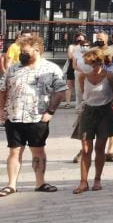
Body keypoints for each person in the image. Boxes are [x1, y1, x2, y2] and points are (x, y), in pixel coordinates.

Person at [0, 33, 67, 196]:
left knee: (38, 150)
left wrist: (50, 111)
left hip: (37, 117)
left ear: (36, 50)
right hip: (14, 115)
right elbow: (3, 89)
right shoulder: (13, 68)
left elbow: (60, 92)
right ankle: (11, 184)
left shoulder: (51, 69)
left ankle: (40, 182)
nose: (22, 53)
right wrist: (1, 109)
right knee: (15, 151)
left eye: (25, 51)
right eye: (21, 51)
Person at [73, 46, 113, 194]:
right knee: (86, 149)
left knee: (100, 148)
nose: (92, 67)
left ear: (101, 62)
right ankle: (83, 182)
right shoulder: (83, 76)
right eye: (89, 64)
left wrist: (107, 104)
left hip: (105, 111)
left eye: (94, 64)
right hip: (88, 111)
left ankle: (97, 180)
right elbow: (82, 92)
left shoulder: (110, 76)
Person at [65, 33, 87, 108]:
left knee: (82, 85)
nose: (79, 40)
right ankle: (68, 103)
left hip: (81, 66)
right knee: (69, 84)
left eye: (81, 38)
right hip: (72, 65)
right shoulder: (72, 46)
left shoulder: (85, 46)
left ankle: (83, 102)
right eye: (78, 38)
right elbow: (70, 56)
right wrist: (77, 50)